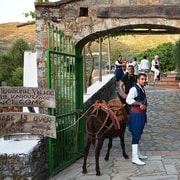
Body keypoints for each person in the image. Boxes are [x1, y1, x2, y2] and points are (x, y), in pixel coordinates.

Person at [126, 73, 148, 166]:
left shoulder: (141, 88)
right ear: (138, 80)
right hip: (136, 115)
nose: (144, 80)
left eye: (145, 79)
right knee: (136, 134)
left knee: (138, 134)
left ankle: (137, 153)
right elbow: (128, 100)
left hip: (141, 115)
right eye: (142, 79)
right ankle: (134, 157)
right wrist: (139, 104)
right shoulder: (134, 89)